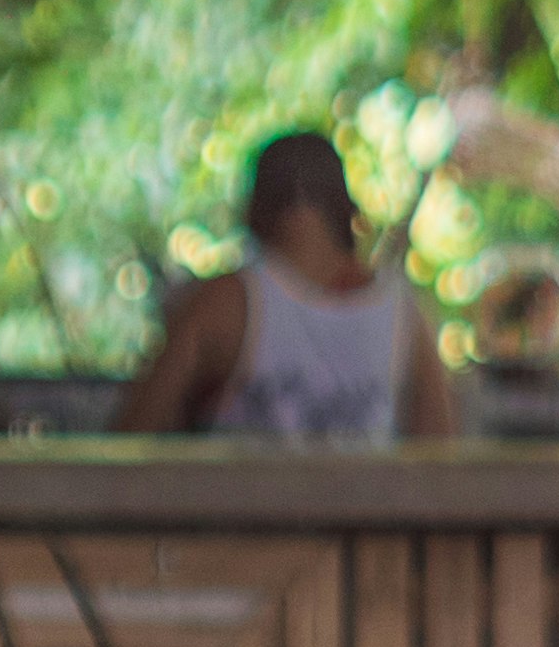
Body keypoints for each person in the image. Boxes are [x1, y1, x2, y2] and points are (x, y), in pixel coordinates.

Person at [119, 132, 456, 442]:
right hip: (364, 506)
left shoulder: (225, 303)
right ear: (346, 209)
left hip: (236, 506)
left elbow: (129, 444)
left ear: (256, 209)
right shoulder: (403, 310)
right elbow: (439, 462)